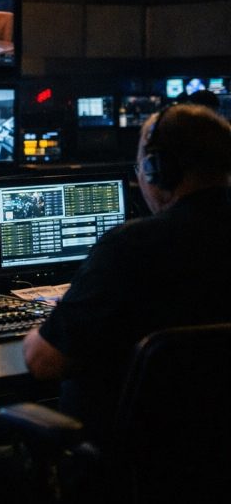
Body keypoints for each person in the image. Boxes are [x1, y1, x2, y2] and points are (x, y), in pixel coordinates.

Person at [24, 104, 231, 445]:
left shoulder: (130, 246)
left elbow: (43, 361)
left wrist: (44, 325)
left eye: (141, 166)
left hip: (120, 466)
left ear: (156, 169)